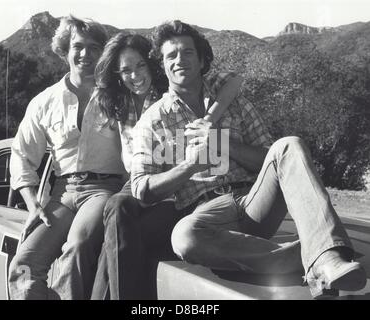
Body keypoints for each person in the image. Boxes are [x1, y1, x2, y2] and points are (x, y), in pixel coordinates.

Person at [130, 20, 367, 299]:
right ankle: (302, 256)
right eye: (171, 55)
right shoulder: (153, 121)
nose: (180, 60)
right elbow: (141, 189)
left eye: (187, 52)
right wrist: (190, 165)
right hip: (208, 217)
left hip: (254, 201)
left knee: (289, 145)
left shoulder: (233, 100)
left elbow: (273, 161)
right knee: (183, 236)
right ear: (162, 64)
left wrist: (221, 141)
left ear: (202, 58)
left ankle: (328, 259)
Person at [90, 32, 244, 299]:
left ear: (152, 64)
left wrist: (209, 118)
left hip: (176, 188)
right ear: (118, 75)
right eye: (126, 70)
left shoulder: (171, 94)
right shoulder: (121, 106)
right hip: (142, 186)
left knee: (117, 214)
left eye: (140, 66)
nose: (135, 76)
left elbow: (234, 80)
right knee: (115, 225)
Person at [8, 15, 127, 300]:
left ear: (103, 53)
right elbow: (21, 154)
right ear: (65, 49)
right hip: (61, 195)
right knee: (23, 267)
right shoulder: (44, 101)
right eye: (78, 46)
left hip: (103, 191)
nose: (85, 54)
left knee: (76, 249)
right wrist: (33, 203)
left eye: (94, 47)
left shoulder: (119, 97)